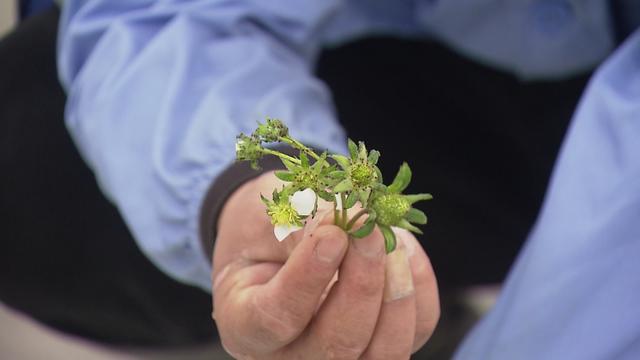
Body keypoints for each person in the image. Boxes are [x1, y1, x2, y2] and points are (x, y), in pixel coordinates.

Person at [3, 0, 638, 358]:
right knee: (28, 145)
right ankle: (395, 310)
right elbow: (158, 15)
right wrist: (241, 186)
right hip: (469, 60)